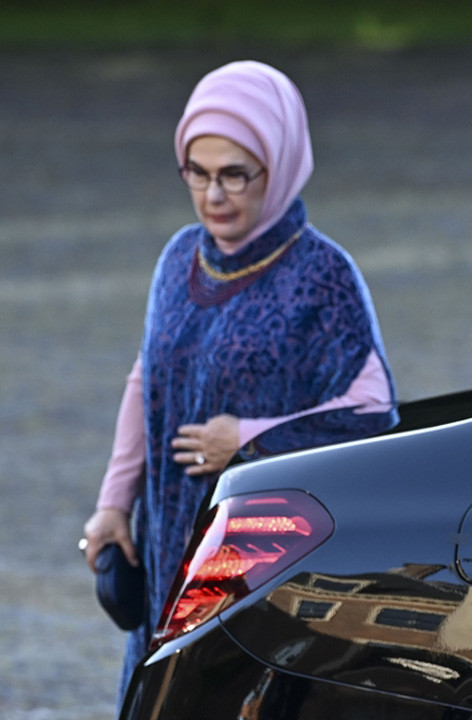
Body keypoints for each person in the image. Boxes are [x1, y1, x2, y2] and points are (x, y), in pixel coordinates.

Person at [80, 60, 397, 699]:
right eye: (196, 173)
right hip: (170, 541)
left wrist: (249, 438)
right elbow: (146, 377)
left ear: (277, 166)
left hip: (264, 558)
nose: (213, 196)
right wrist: (114, 504)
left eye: (234, 174)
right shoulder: (179, 257)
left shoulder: (323, 274)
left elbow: (373, 410)